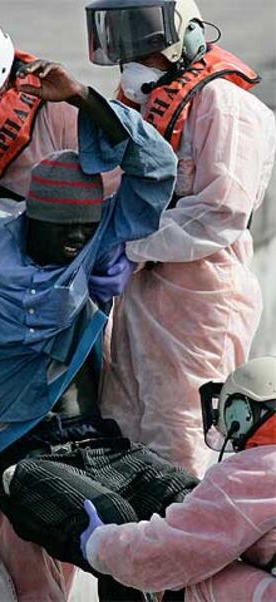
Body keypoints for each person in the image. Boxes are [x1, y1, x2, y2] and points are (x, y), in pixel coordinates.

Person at [0, 63, 201, 601]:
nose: (77, 246)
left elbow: (155, 165)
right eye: (63, 234)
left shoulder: (98, 234)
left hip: (101, 444)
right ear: (31, 221)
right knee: (116, 526)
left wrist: (82, 97)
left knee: (190, 502)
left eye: (84, 233)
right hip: (27, 457)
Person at [85, 0, 276, 478]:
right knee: (124, 435)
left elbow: (220, 211)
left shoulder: (225, 106)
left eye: (142, 39)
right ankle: (134, 549)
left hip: (199, 303)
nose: (130, 55)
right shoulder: (143, 105)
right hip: (140, 303)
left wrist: (131, 246)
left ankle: (191, 551)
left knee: (185, 443)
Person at [80, 356, 276, 602]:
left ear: (242, 414)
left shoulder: (255, 470)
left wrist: (101, 546)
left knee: (198, 582)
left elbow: (176, 552)